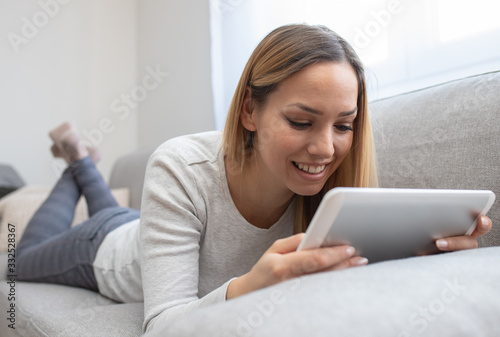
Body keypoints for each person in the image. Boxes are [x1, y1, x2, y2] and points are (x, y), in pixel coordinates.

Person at [16, 24, 493, 333]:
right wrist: (252, 284)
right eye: (302, 122)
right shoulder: (179, 165)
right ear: (249, 110)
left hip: (141, 225)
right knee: (13, 263)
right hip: (100, 250)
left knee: (113, 208)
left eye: (343, 125)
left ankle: (81, 162)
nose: (326, 148)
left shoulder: (336, 191)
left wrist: (422, 257)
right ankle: (77, 163)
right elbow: (161, 327)